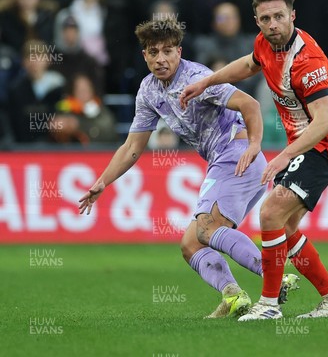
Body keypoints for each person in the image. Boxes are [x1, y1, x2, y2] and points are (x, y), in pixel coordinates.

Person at [78, 18, 296, 319]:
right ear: (145, 56)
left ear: (179, 52)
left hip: (236, 155)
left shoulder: (197, 77)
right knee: (190, 244)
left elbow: (250, 105)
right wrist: (103, 181)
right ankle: (234, 295)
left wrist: (254, 144)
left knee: (207, 228)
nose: (160, 59)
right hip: (227, 161)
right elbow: (131, 148)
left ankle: (274, 276)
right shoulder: (149, 90)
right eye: (153, 52)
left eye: (167, 51)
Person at [180, 0, 328, 321]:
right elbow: (247, 64)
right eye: (265, 19)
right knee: (285, 228)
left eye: (278, 16)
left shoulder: (309, 62)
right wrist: (206, 82)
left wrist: (283, 156)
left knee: (271, 212)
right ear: (257, 22)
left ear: (292, 16)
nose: (273, 24)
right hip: (305, 148)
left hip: (323, 148)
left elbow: (324, 122)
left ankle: (269, 305)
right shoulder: (265, 44)